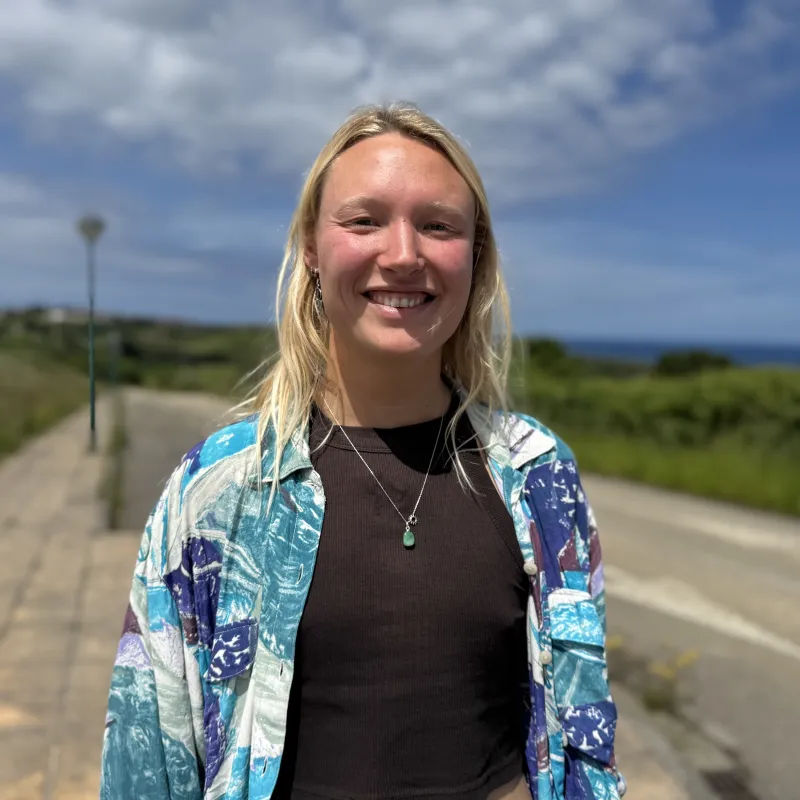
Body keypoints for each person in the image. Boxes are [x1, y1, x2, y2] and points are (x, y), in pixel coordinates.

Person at [100, 103, 625, 800]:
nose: (403, 254)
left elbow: (581, 738)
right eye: (364, 220)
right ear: (313, 249)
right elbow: (147, 755)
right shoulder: (218, 488)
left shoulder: (539, 475)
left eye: (437, 225)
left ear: (476, 256)